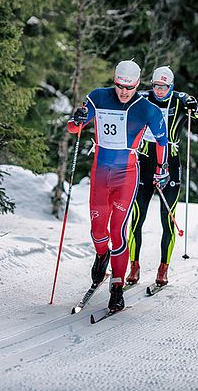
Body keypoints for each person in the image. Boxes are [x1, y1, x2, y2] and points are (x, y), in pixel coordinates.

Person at [67, 60, 170, 312]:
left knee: (118, 231)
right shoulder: (98, 97)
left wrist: (161, 169)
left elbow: (162, 141)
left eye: (130, 87)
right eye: (120, 86)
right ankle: (102, 255)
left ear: (137, 85)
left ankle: (116, 286)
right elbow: (73, 128)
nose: (124, 92)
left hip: (127, 175)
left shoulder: (146, 109)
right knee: (97, 230)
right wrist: (77, 119)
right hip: (100, 174)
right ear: (115, 81)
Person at [126, 66, 198, 287]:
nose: (159, 90)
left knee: (168, 218)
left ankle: (163, 268)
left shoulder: (181, 101)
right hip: (145, 160)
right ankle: (133, 265)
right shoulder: (143, 98)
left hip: (170, 163)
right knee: (138, 216)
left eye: (164, 87)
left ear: (171, 86)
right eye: (156, 86)